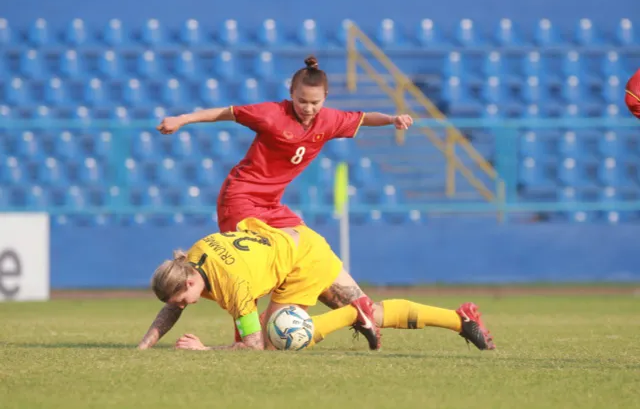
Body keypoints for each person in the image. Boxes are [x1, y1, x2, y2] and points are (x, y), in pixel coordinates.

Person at [153, 55, 414, 345]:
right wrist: (182, 119)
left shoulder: (329, 120)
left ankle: (347, 314)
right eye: (302, 101)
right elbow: (226, 113)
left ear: (325, 98)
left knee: (306, 255)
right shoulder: (271, 113)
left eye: (315, 102)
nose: (308, 108)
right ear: (291, 94)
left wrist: (392, 119)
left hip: (273, 206)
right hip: (241, 198)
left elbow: (364, 118)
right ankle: (247, 340)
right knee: (240, 272)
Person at [138, 218, 495, 352]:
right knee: (378, 312)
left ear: (188, 280)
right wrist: (145, 345)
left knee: (278, 341)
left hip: (299, 265)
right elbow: (171, 304)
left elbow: (253, 347)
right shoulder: (195, 255)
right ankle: (460, 319)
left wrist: (205, 350)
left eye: (183, 298)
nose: (181, 305)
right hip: (304, 242)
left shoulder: (233, 288)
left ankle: (353, 316)